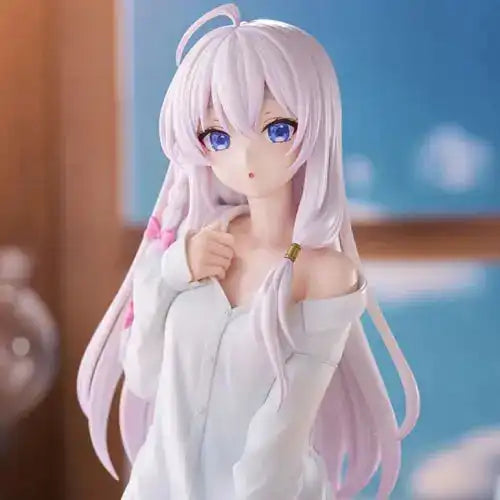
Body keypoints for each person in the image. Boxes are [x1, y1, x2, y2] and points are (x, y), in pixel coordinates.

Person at [77, 4, 420, 499]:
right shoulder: (195, 241)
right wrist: (172, 272)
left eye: (277, 128)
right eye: (217, 136)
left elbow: (282, 434)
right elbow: (145, 375)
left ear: (315, 125)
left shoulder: (323, 274)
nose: (245, 156)